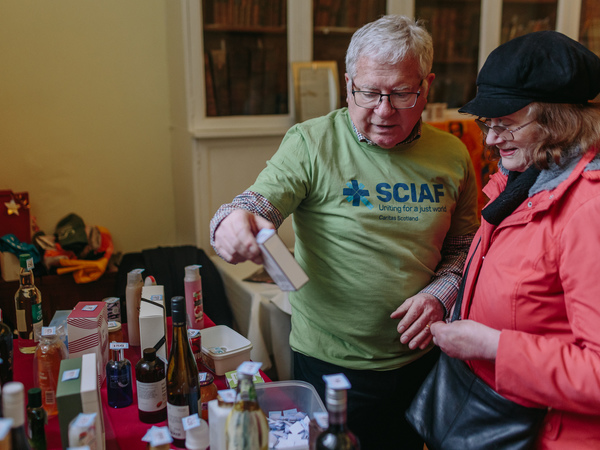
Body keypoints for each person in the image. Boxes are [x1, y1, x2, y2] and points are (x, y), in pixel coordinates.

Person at [211, 15, 480, 449]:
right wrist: (231, 221)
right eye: (369, 92)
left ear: (426, 86)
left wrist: (441, 293)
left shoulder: (453, 153)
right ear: (348, 82)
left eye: (402, 93)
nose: (384, 110)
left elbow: (466, 248)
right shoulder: (311, 143)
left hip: (421, 362)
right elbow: (256, 202)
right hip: (330, 363)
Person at [430, 31, 600, 448]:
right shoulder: (522, 180)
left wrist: (493, 346)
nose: (489, 139)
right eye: (487, 123)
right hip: (500, 416)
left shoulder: (589, 210)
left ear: (558, 122)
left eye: (505, 124)